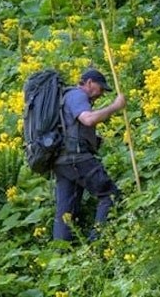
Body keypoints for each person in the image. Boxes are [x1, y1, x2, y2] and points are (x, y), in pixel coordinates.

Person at [53, 66, 126, 242]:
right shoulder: (78, 95)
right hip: (76, 158)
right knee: (109, 195)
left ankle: (62, 253)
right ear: (89, 83)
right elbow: (89, 119)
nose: (101, 94)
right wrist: (115, 106)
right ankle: (98, 243)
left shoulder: (65, 97)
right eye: (101, 89)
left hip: (61, 161)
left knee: (65, 212)